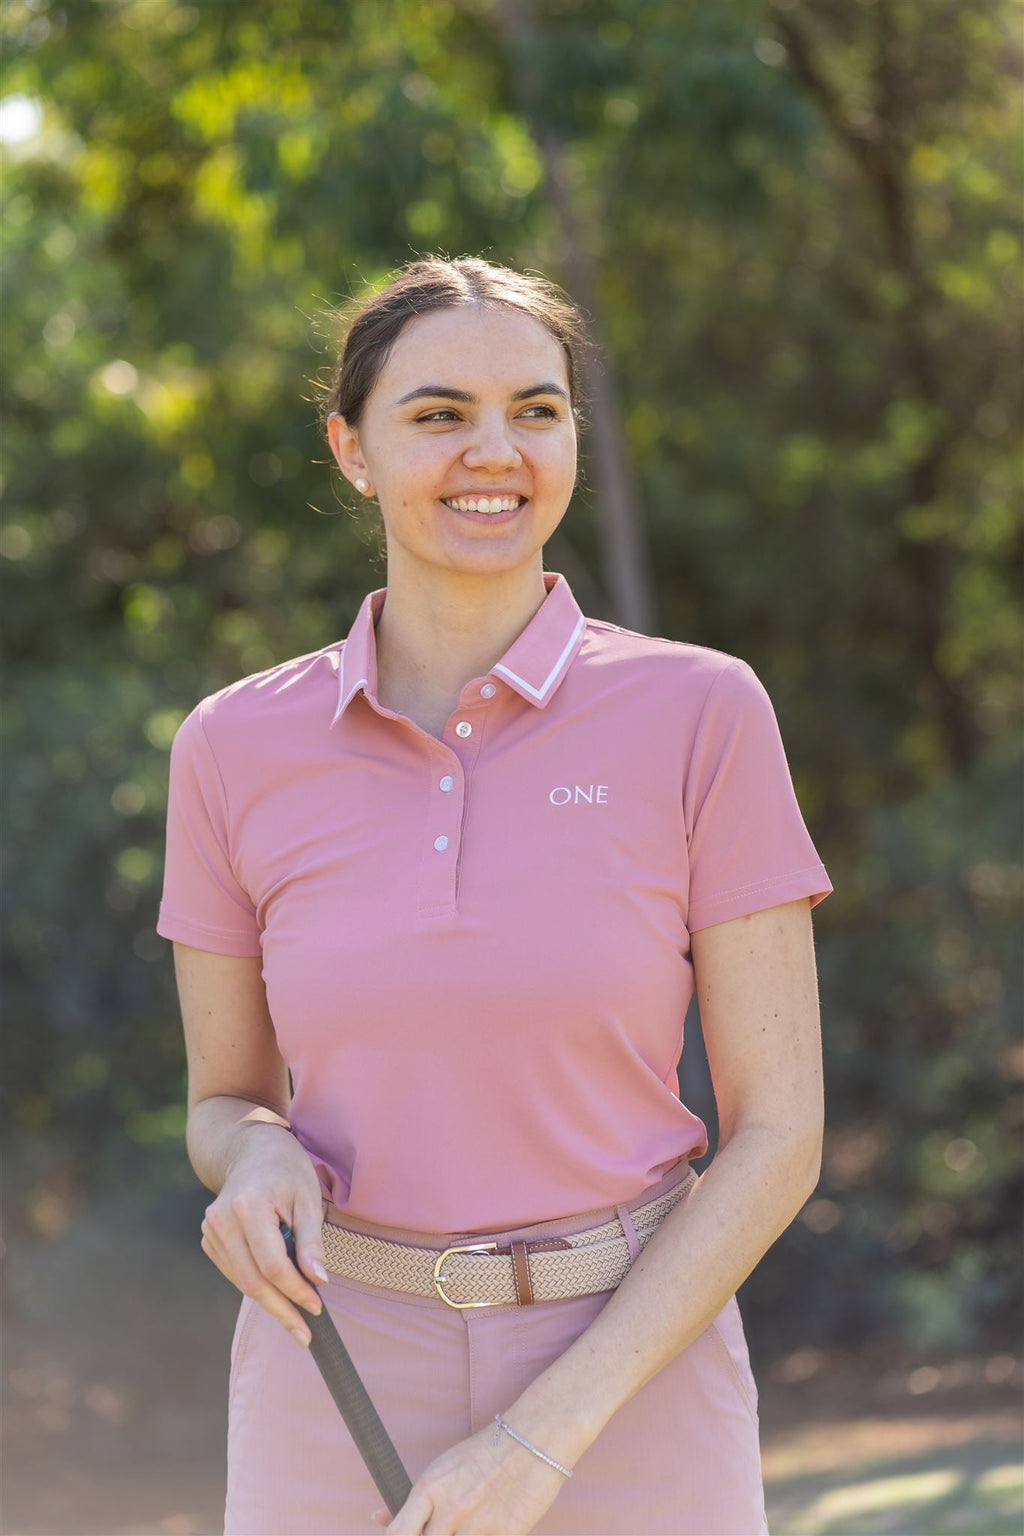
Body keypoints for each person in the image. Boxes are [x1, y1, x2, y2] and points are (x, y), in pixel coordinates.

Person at [156, 255, 833, 1536]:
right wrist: (248, 1154)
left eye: (536, 408)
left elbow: (778, 1135)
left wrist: (544, 1433)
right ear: (350, 450)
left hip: (636, 1372)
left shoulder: (703, 712)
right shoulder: (230, 748)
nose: (496, 450)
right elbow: (222, 1097)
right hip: (333, 1376)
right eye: (438, 414)